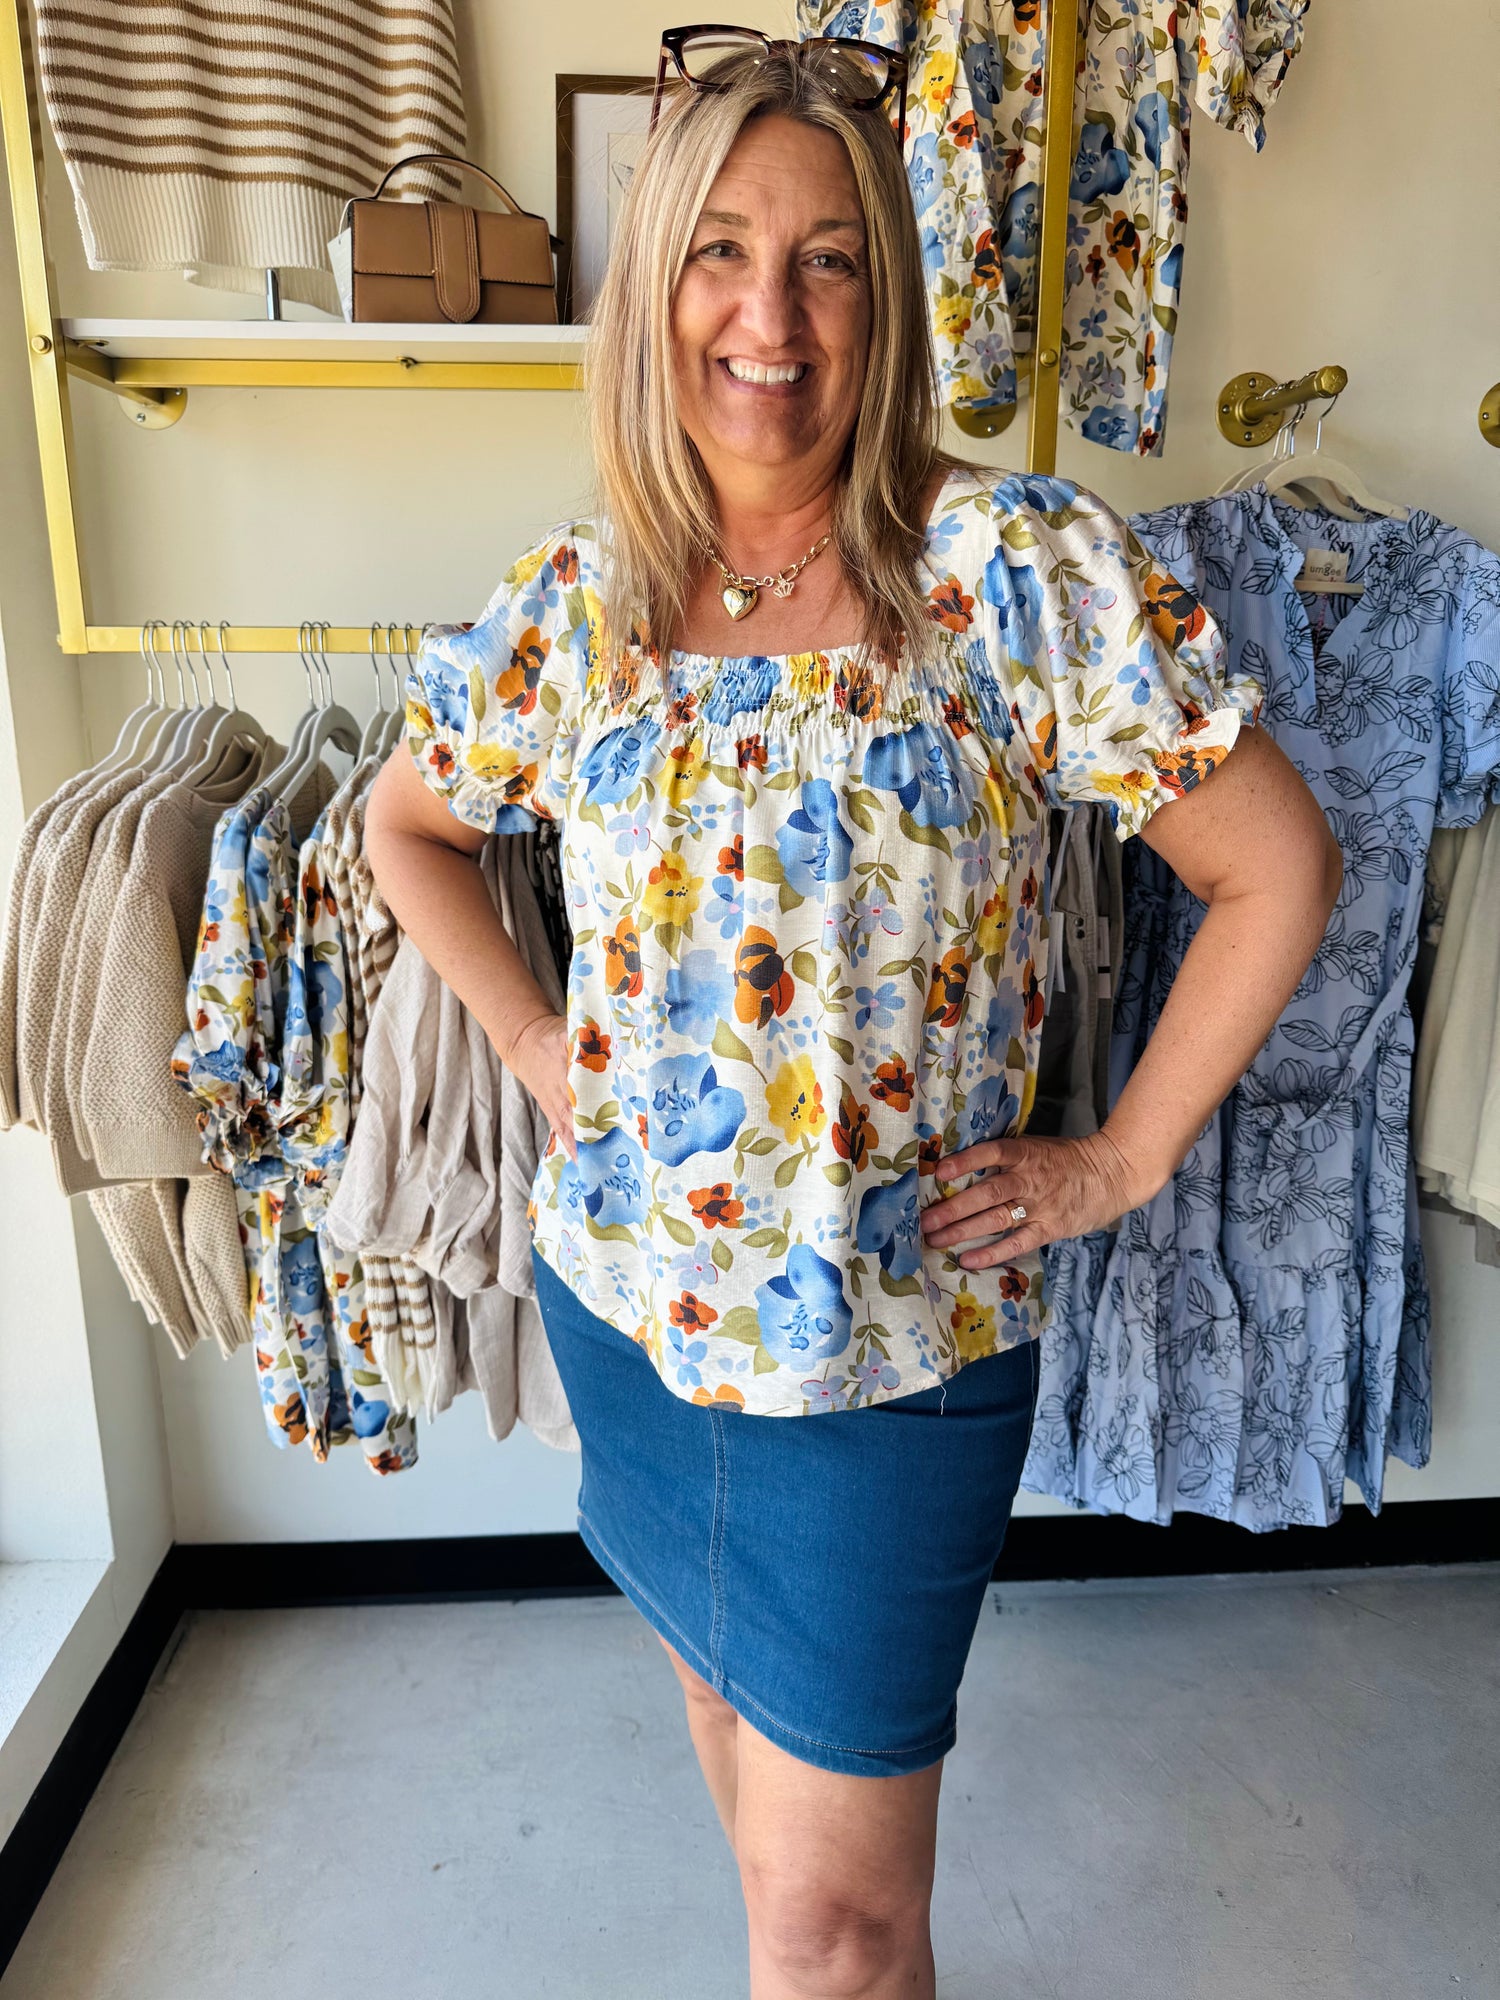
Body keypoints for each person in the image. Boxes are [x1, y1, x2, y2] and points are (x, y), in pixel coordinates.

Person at [364, 29, 1342, 2000]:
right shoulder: (581, 603)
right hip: (634, 1310)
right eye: (721, 251)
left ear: (887, 292)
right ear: (657, 290)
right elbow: (406, 826)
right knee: (758, 1822)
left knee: (835, 1929)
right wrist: (544, 1044)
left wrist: (1118, 1156)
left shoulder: (1014, 571)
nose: (771, 313)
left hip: (888, 1358)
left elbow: (1275, 869)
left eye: (828, 259)